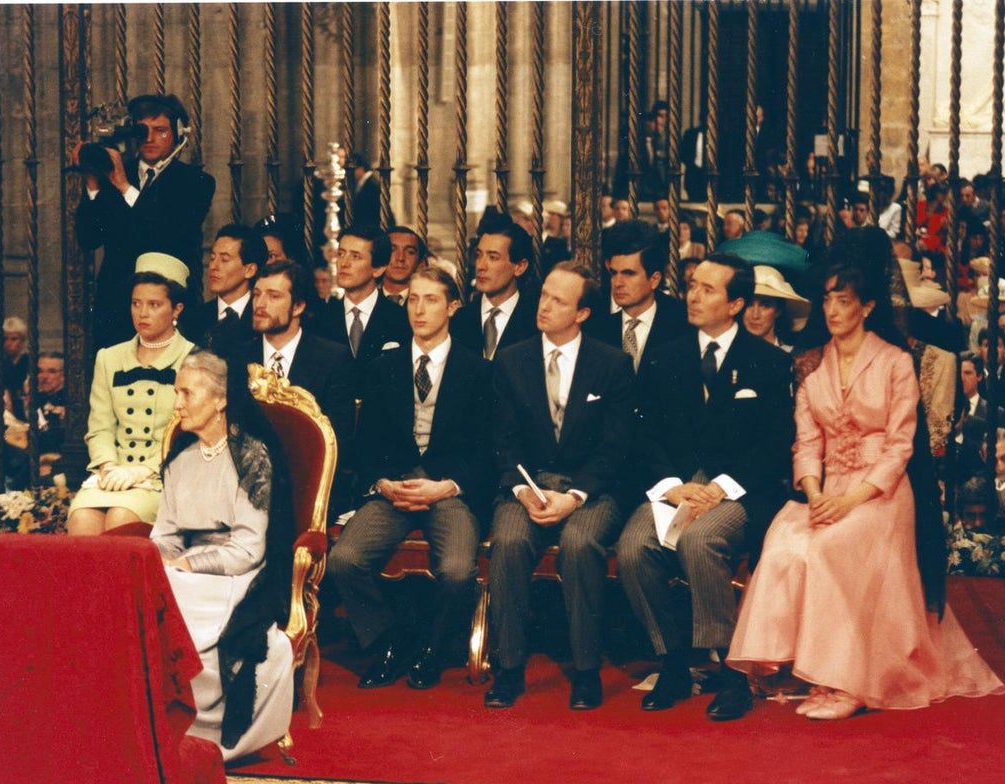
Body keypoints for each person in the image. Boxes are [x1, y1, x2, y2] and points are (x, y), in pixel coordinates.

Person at [727, 260, 1005, 719]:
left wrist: (850, 501)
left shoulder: (895, 362)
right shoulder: (813, 364)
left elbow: (900, 447)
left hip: (881, 493)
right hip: (826, 487)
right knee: (783, 543)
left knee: (834, 547)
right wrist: (815, 495)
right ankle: (795, 665)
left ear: (867, 306)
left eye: (844, 301)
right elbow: (808, 440)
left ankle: (847, 680)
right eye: (827, 301)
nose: (833, 311)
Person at [616, 255, 794, 721]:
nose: (694, 296)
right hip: (676, 488)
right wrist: (672, 488)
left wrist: (720, 489)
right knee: (633, 546)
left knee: (700, 539)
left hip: (737, 491)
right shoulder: (663, 357)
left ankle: (733, 673)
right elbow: (644, 435)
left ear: (736, 303)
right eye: (692, 285)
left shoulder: (769, 363)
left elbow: (776, 445)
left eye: (708, 289)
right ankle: (672, 663)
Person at [327, 266, 490, 691]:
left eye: (431, 299)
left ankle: (433, 649)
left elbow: (489, 453)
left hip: (448, 490)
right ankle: (389, 640)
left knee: (457, 570)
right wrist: (383, 484)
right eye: (412, 299)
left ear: (453, 307)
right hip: (394, 489)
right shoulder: (384, 368)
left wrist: (447, 487)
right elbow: (364, 449)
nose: (418, 309)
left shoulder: (478, 370)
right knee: (343, 560)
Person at [483, 262, 635, 711]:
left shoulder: (612, 364)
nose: (544, 306)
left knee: (581, 543)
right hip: (526, 484)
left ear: (583, 313)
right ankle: (508, 668)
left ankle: (586, 670)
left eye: (559, 301)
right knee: (508, 541)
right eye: (544, 295)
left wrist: (574, 497)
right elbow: (501, 441)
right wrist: (523, 490)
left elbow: (615, 448)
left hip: (589, 488)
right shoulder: (512, 360)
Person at [152, 349, 294, 761]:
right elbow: (164, 533)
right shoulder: (180, 459)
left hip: (238, 574)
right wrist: (165, 561)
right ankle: (162, 728)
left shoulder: (251, 458)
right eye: (176, 392)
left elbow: (249, 549)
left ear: (220, 400)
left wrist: (187, 565)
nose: (177, 403)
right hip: (184, 571)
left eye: (187, 393)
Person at [73, 94, 215, 350]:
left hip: (171, 305)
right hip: (117, 308)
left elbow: (165, 233)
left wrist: (124, 188)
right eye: (142, 130)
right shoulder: (115, 172)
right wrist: (93, 187)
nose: (149, 138)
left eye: (160, 130)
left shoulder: (196, 182)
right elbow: (88, 237)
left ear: (179, 133)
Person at [67, 253, 195, 536]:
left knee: (122, 519)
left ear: (177, 310)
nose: (142, 313)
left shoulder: (193, 358)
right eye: (136, 304)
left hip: (162, 476)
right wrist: (110, 466)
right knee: (81, 519)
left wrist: (143, 471)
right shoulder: (109, 358)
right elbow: (99, 427)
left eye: (154, 304)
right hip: (112, 473)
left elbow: (188, 433)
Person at [235, 259, 355, 512]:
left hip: (307, 488)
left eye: (273, 296)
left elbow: (337, 438)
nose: (260, 304)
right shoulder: (235, 358)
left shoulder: (332, 358)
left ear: (298, 306)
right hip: (241, 487)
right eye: (256, 294)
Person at [311, 225, 410, 385]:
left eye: (356, 256)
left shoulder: (401, 319)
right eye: (341, 254)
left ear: (378, 269)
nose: (344, 263)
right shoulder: (320, 320)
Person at [588, 220, 687, 375]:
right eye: (614, 273)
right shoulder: (594, 321)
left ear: (654, 279)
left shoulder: (682, 321)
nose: (618, 283)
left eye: (629, 273)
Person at [451, 215, 539, 362]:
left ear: (520, 267)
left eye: (493, 257)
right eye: (479, 255)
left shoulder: (536, 322)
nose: (480, 266)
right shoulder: (458, 320)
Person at [182, 224, 267, 355]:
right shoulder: (193, 319)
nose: (213, 266)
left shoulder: (263, 318)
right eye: (212, 258)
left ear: (249, 270)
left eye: (224, 259)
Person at [741, 265, 809, 352]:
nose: (755, 315)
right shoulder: (727, 353)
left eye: (765, 306)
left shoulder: (795, 356)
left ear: (778, 311)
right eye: (749, 305)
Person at [383, 226, 428, 306]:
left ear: (421, 264)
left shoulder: (428, 303)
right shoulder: (366, 300)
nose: (400, 258)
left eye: (410, 252)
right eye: (392, 250)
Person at [32, 352, 67, 455]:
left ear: (64, 375)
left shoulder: (71, 401)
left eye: (52, 371)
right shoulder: (34, 398)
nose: (44, 377)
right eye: (40, 371)